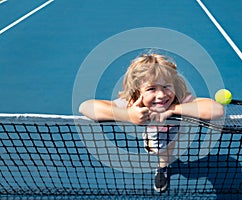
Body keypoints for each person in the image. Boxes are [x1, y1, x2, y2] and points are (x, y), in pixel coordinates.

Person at [79, 52, 224, 193]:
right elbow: (86, 107)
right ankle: (162, 164)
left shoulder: (179, 98)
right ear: (138, 91)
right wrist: (127, 115)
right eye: (151, 89)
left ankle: (163, 166)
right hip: (156, 133)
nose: (161, 95)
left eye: (166, 86)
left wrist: (173, 109)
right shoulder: (132, 103)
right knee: (159, 151)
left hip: (175, 129)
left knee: (170, 147)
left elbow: (217, 110)